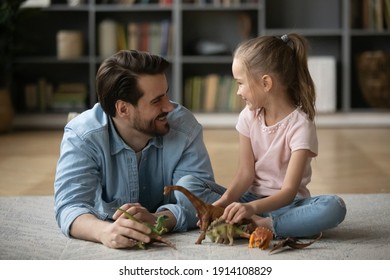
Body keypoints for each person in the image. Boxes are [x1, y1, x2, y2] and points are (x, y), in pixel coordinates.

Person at [54, 50, 223, 249]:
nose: (169, 106)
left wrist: (157, 219)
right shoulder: (83, 135)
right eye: (157, 100)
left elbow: (199, 204)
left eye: (166, 94)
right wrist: (104, 232)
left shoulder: (184, 127)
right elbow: (69, 206)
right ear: (123, 109)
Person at [211, 33, 347, 238]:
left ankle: (269, 225)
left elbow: (289, 191)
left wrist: (252, 209)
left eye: (240, 83)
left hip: (287, 205)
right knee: (193, 186)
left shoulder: (300, 126)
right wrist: (225, 201)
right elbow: (245, 174)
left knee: (334, 207)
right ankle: (249, 222)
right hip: (250, 199)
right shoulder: (248, 117)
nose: (238, 92)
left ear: (266, 83)